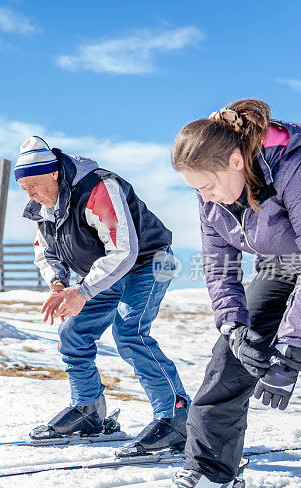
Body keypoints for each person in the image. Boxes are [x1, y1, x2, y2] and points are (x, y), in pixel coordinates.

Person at [158, 99, 301, 488]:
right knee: (232, 354)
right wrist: (234, 326)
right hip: (290, 263)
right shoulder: (212, 202)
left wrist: (292, 348)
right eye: (195, 189)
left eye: (208, 184)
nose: (205, 196)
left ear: (236, 160)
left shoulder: (299, 168)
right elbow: (220, 266)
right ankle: (210, 474)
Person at [16, 135, 191, 455]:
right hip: (105, 271)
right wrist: (57, 282)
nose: (30, 194)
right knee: (73, 332)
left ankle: (177, 417)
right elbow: (44, 252)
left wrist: (81, 291)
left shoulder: (98, 188)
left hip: (149, 261)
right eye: (24, 187)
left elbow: (124, 250)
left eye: (35, 184)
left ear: (54, 173)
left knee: (130, 331)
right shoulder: (41, 209)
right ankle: (89, 411)